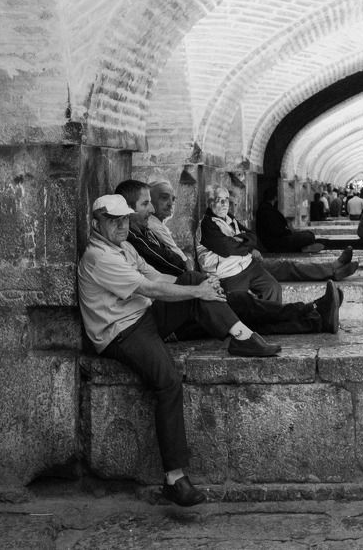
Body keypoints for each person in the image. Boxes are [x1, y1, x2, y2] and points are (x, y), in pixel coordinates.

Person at [78, 194, 285, 507]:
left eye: (124, 219)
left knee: (193, 278)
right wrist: (198, 291)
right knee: (168, 382)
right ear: (97, 223)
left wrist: (201, 286)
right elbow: (150, 289)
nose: (122, 226)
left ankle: (241, 335)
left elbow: (157, 276)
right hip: (121, 332)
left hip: (142, 315)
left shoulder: (124, 246)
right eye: (113, 221)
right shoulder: (99, 257)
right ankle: (174, 478)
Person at [117, 180, 342, 336]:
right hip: (169, 316)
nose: (153, 208)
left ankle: (315, 314)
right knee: (243, 312)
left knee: (250, 304)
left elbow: (159, 273)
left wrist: (193, 282)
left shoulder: (142, 234)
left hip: (190, 295)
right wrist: (195, 287)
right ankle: (314, 313)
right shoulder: (126, 243)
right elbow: (159, 277)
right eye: (146, 204)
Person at [198, 186, 359, 304]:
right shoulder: (208, 224)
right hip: (233, 272)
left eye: (226, 200)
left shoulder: (230, 218)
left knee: (288, 267)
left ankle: (334, 268)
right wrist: (245, 243)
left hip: (249, 263)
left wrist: (244, 242)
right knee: (302, 244)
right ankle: (331, 270)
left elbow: (252, 236)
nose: (224, 204)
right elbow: (227, 248)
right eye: (220, 201)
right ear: (210, 202)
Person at [145, 178, 195, 273]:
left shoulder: (157, 222)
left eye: (173, 199)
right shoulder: (153, 225)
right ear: (149, 201)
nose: (171, 204)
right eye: (164, 198)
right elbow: (185, 264)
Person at [256, 187, 325, 253]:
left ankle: (302, 247)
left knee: (306, 234)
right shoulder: (268, 211)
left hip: (273, 242)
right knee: (309, 236)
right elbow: (276, 231)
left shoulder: (264, 209)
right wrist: (289, 231)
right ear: (275, 197)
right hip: (276, 244)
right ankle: (301, 248)